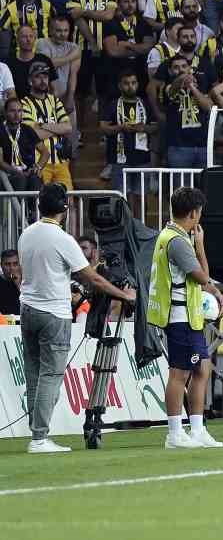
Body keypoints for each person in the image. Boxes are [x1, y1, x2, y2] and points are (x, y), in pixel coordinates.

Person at [18, 184, 136, 454]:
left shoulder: (27, 234)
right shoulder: (62, 239)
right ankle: (39, 438)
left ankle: (36, 432)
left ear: (39, 206)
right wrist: (124, 295)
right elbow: (92, 279)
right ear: (64, 209)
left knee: (34, 374)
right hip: (53, 313)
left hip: (28, 309)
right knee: (51, 375)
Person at [147, 186, 223, 450]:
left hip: (189, 315)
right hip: (179, 315)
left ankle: (197, 429)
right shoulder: (178, 241)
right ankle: (174, 433)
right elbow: (201, 276)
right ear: (194, 213)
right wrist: (201, 246)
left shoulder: (172, 235)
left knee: (202, 369)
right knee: (179, 373)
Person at [0, 249, 20, 313]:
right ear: (1, 265)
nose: (11, 268)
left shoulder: (26, 282)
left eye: (15, 264)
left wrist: (19, 285)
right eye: (7, 264)